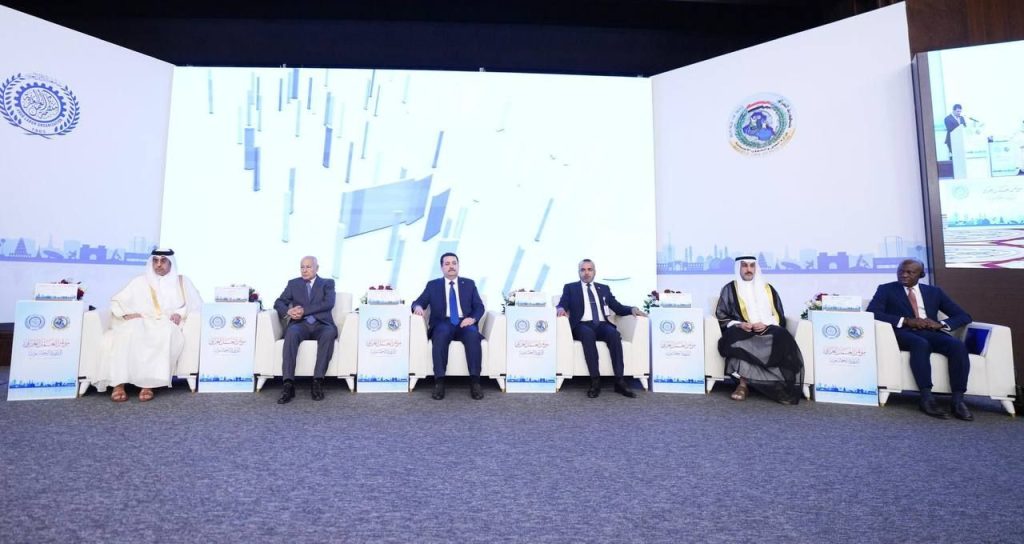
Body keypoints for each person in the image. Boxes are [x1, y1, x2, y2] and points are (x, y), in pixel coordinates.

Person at [866, 258, 974, 420]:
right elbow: (873, 313)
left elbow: (963, 316)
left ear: (921, 275)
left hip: (930, 331)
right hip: (902, 332)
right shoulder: (886, 289)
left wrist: (940, 324)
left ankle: (958, 400)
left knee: (957, 346)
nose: (904, 275)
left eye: (910, 272)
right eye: (901, 271)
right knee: (920, 344)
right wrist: (906, 321)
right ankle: (926, 398)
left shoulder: (934, 292)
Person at [98, 248, 203, 402]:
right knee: (127, 332)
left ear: (171, 263)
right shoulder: (140, 281)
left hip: (167, 322)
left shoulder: (182, 281)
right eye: (155, 260)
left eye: (163, 261)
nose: (158, 264)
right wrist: (126, 314)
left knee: (164, 333)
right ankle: (118, 384)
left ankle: (148, 384)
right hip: (142, 320)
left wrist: (179, 314)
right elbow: (117, 301)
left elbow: (195, 304)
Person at [714, 256, 803, 404]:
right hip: (743, 330)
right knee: (735, 338)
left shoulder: (768, 289)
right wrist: (739, 324)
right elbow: (721, 315)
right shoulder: (729, 289)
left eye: (752, 266)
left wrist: (766, 324)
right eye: (744, 266)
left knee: (783, 336)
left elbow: (778, 314)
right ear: (739, 268)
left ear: (756, 268)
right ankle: (743, 385)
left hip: (767, 327)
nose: (748, 269)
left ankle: (776, 384)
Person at [556, 259, 646, 398]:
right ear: (579, 272)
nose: (586, 273)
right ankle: (595, 382)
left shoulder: (604, 288)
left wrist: (632, 309)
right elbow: (562, 303)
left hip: (602, 325)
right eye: (583, 270)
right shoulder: (570, 288)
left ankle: (620, 382)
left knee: (614, 334)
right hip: (581, 325)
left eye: (589, 269)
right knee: (588, 334)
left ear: (594, 272)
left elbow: (617, 307)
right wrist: (560, 309)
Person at [412, 252, 486, 400]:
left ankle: (475, 382)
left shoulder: (469, 284)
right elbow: (418, 302)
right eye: (447, 264)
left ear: (458, 265)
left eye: (454, 263)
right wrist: (418, 307)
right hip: (442, 322)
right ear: (441, 267)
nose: (451, 266)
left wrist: (472, 319)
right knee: (440, 333)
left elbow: (479, 306)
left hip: (464, 322)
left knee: (472, 334)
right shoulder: (433, 285)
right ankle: (439, 382)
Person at [274, 256, 337, 404]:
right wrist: (289, 311)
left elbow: (328, 303)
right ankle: (288, 384)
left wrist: (303, 311)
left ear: (317, 268)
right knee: (291, 332)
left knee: (329, 333)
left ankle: (317, 381)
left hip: (321, 324)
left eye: (308, 267)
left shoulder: (327, 283)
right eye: (302, 267)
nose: (304, 270)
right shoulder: (293, 283)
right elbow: (279, 302)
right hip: (300, 324)